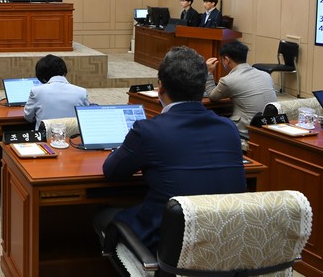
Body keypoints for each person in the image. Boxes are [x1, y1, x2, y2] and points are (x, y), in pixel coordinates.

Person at [96, 46, 246, 253]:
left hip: (168, 244)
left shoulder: (148, 131)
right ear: (202, 87)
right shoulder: (228, 128)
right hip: (222, 243)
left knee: (102, 216)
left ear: (160, 88)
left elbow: (112, 171)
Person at [204, 40, 276, 139]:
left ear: (226, 59)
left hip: (247, 130)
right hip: (269, 129)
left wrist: (208, 72)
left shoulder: (228, 80)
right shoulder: (265, 75)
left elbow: (212, 96)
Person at [24, 55, 90, 129]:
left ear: (42, 77)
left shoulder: (36, 92)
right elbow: (87, 117)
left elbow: (28, 117)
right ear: (64, 71)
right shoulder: (81, 92)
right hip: (73, 136)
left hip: (46, 135)